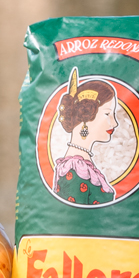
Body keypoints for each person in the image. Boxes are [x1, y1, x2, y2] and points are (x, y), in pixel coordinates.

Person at [53, 69, 120, 205]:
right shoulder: (74, 171)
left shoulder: (82, 164)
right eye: (107, 114)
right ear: (86, 114)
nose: (115, 122)